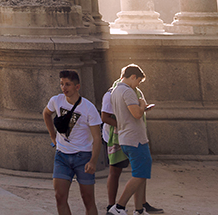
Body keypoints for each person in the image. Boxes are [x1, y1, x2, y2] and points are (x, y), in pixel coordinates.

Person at [100, 77, 164, 215]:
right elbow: (135, 114)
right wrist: (142, 105)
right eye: (139, 80)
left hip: (127, 136)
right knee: (134, 172)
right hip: (125, 137)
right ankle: (117, 206)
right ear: (132, 77)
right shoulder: (121, 92)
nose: (139, 84)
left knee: (140, 171)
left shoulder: (124, 91)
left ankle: (139, 208)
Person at [43, 69, 102, 215]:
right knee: (59, 197)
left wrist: (93, 161)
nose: (64, 88)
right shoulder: (56, 100)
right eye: (62, 84)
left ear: (77, 87)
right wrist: (52, 136)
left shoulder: (88, 108)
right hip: (62, 155)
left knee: (88, 200)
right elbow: (46, 113)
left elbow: (97, 138)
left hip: (83, 156)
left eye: (68, 84)